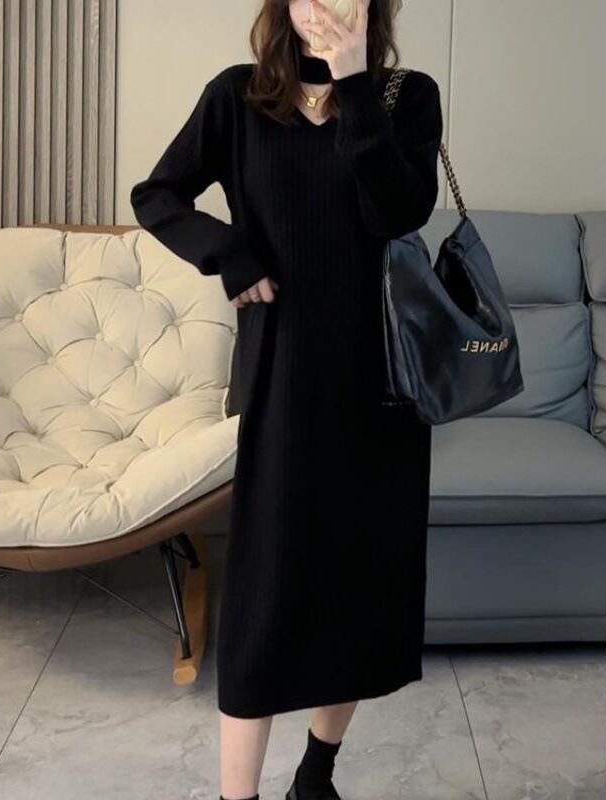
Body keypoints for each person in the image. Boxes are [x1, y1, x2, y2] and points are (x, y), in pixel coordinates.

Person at [129, 1, 443, 797]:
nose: (325, 5)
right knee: (263, 606)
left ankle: (316, 776)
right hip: (284, 381)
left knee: (359, 596)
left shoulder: (408, 97)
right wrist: (227, 252)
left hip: (381, 393)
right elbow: (157, 194)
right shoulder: (236, 98)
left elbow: (395, 212)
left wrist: (355, 85)